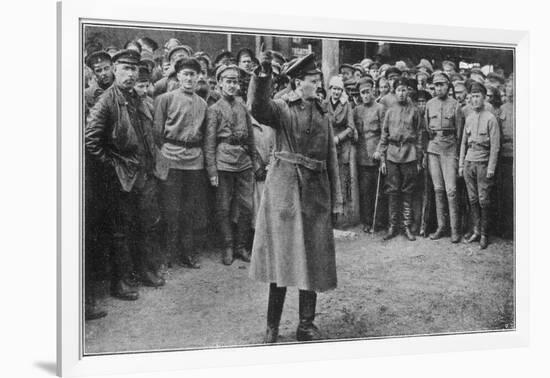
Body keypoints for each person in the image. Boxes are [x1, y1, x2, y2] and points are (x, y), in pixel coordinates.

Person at [247, 53, 343, 343]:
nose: (319, 86)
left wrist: (336, 198)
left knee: (312, 261)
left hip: (315, 193)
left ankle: (305, 325)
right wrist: (262, 77)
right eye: (313, 81)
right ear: (298, 83)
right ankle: (272, 326)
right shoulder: (281, 108)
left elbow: (332, 158)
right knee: (281, 261)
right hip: (285, 192)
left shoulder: (324, 112)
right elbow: (257, 107)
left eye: (319, 81)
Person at [86, 49, 165, 303]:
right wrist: (112, 166)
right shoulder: (106, 101)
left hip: (144, 173)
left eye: (134, 70)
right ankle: (120, 282)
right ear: (114, 71)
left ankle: (144, 272)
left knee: (146, 225)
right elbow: (91, 141)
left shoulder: (136, 98)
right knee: (120, 232)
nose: (130, 74)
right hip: (121, 177)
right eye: (125, 69)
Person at [153, 57, 209, 269]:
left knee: (189, 209)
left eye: (193, 74)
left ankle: (187, 253)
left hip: (194, 161)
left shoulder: (202, 103)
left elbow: (203, 134)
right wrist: (164, 155)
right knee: (170, 209)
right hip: (171, 157)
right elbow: (157, 133)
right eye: (185, 73)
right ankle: (168, 253)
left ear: (198, 77)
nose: (189, 78)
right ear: (178, 76)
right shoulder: (165, 99)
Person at [204, 64, 257, 265]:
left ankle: (241, 247)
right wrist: (211, 170)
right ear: (219, 83)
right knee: (223, 207)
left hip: (244, 162)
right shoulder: (214, 110)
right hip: (223, 161)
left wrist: (253, 159)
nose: (233, 85)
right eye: (228, 81)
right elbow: (209, 142)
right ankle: (227, 246)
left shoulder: (243, 106)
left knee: (246, 206)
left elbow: (250, 136)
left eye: (236, 82)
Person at [375, 77, 423, 241]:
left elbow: (419, 135)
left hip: (409, 154)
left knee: (408, 191)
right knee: (392, 191)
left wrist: (418, 158)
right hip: (392, 154)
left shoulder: (414, 111)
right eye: (399, 90)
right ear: (394, 92)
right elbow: (384, 136)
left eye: (404, 90)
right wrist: (382, 158)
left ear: (408, 91)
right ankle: (392, 226)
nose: (402, 93)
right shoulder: (390, 111)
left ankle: (406, 226)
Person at [459, 82, 500, 249]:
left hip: (483, 163)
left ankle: (484, 234)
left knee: (483, 200)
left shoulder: (491, 119)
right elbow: (463, 143)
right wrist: (461, 164)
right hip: (469, 161)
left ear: (484, 98)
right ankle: (475, 230)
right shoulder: (469, 118)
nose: (474, 100)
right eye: (472, 97)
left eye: (477, 96)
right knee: (473, 198)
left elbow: (495, 147)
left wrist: (491, 168)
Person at [424, 72, 463, 243]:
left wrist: (457, 157)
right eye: (436, 85)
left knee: (451, 191)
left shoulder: (455, 105)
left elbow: (460, 135)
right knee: (438, 189)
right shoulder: (429, 104)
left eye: (442, 84)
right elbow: (427, 129)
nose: (439, 88)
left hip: (449, 149)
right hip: (434, 149)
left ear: (448, 86)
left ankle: (455, 229)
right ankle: (441, 226)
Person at [354, 77, 386, 232]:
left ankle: (378, 221)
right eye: (362, 93)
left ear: (373, 91)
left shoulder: (380, 108)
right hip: (362, 157)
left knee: (378, 191)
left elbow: (384, 133)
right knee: (365, 191)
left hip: (376, 156)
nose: (366, 95)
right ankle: (367, 221)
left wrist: (380, 150)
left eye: (368, 92)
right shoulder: (357, 110)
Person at [324, 76, 357, 227]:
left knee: (343, 181)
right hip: (327, 146)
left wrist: (339, 138)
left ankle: (342, 218)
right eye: (334, 89)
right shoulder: (324, 104)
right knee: (328, 180)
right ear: (330, 90)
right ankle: (329, 217)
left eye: (339, 89)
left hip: (342, 146)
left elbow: (351, 127)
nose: (336, 92)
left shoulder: (346, 105)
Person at [497, 82, 514, 239]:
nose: (511, 91)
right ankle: (506, 228)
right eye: (508, 88)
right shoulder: (502, 109)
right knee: (506, 193)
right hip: (505, 156)